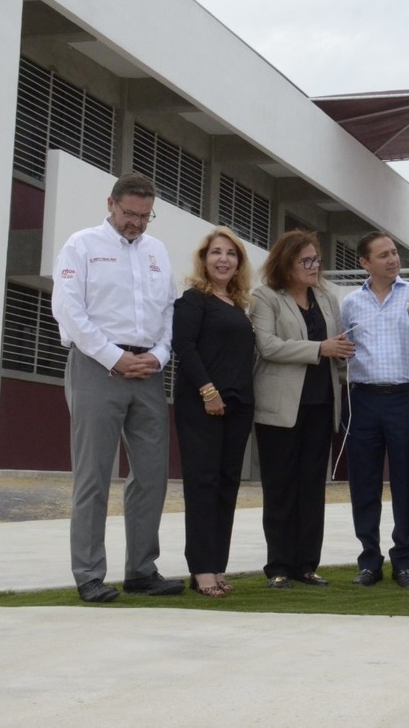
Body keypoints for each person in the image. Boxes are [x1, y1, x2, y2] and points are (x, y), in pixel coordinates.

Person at [51, 172, 184, 602]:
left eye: (146, 216)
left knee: (151, 475)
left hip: (147, 370)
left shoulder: (157, 251)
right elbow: (69, 310)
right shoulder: (81, 245)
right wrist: (113, 356)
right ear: (111, 204)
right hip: (97, 367)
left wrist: (159, 356)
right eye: (130, 213)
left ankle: (141, 570)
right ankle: (89, 574)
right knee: (94, 475)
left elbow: (168, 313)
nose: (137, 223)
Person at [250, 231, 353, 589]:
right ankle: (278, 566)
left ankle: (307, 565)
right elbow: (267, 346)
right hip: (279, 409)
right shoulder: (265, 297)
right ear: (286, 263)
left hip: (322, 405)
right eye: (305, 261)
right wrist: (318, 349)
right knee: (280, 488)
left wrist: (340, 355)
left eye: (316, 261)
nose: (313, 267)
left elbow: (336, 347)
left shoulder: (327, 298)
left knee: (312, 488)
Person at [340, 232, 409, 588]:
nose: (393, 259)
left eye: (394, 252)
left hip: (405, 400)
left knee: (406, 483)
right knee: (363, 484)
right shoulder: (350, 302)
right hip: (362, 401)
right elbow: (344, 345)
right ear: (365, 263)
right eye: (383, 255)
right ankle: (369, 561)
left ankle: (403, 562)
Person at [172, 227, 255, 598]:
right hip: (202, 406)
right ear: (204, 260)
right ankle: (201, 569)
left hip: (238, 407)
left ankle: (217, 566)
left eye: (231, 254)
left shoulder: (238, 305)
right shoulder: (193, 300)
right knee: (203, 486)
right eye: (216, 253)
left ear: (239, 263)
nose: (223, 259)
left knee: (227, 486)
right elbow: (185, 349)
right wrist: (209, 392)